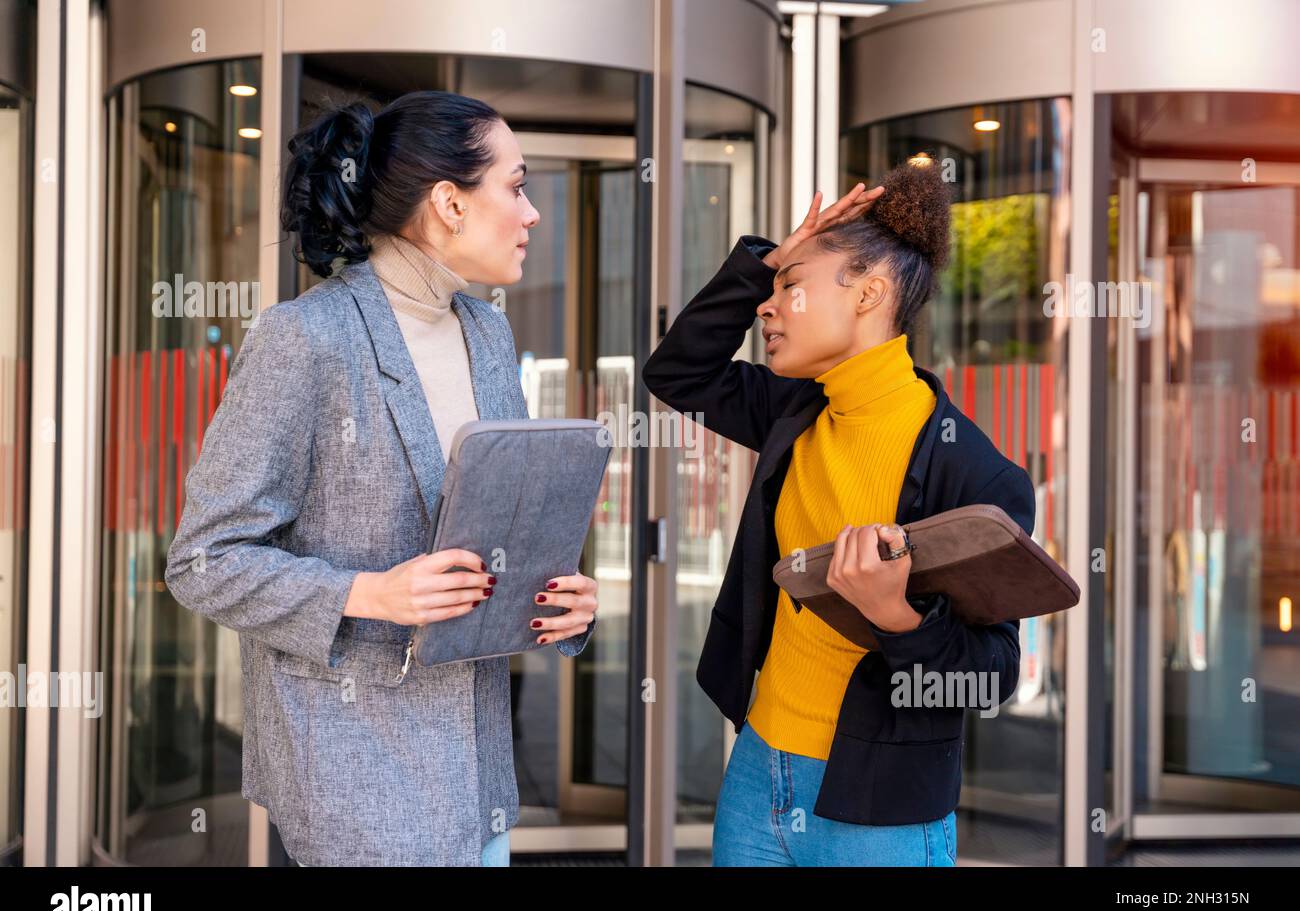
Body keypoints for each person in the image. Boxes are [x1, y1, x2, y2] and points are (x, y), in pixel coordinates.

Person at [165, 90, 599, 866]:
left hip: (480, 780)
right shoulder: (306, 338)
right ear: (448, 203)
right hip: (354, 782)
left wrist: (560, 600)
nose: (532, 213)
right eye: (517, 184)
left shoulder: (490, 333)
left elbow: (499, 530)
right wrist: (370, 595)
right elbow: (204, 561)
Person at [642, 159, 1036, 866]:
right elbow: (676, 373)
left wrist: (898, 620)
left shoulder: (971, 471)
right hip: (759, 769)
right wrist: (772, 258)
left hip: (878, 810)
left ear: (870, 294)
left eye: (791, 288)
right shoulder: (794, 412)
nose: (767, 305)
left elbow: (993, 673)